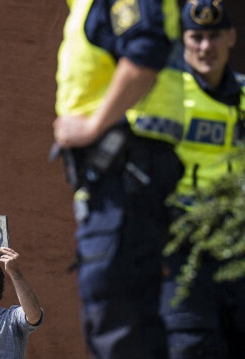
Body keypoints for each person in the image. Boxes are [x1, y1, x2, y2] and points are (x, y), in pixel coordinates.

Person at [52, 0, 185, 358]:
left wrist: (95, 125)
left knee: (120, 317)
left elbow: (145, 51)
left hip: (127, 175)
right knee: (115, 313)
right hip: (116, 179)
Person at [159, 1, 245, 358]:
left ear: (231, 38)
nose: (205, 47)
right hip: (182, 243)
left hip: (235, 243)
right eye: (196, 37)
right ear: (184, 39)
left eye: (214, 36)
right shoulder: (166, 95)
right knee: (191, 343)